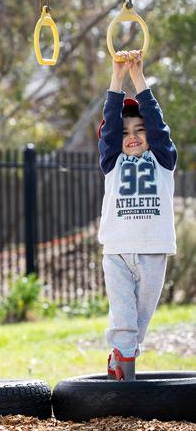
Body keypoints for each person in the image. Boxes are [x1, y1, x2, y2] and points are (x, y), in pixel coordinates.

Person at [97, 50, 177, 381]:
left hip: (153, 250)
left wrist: (138, 78)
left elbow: (158, 124)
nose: (132, 136)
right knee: (125, 319)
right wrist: (117, 79)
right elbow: (109, 130)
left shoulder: (162, 160)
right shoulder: (111, 161)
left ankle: (122, 357)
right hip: (117, 250)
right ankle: (125, 376)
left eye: (139, 130)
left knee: (140, 321)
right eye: (126, 131)